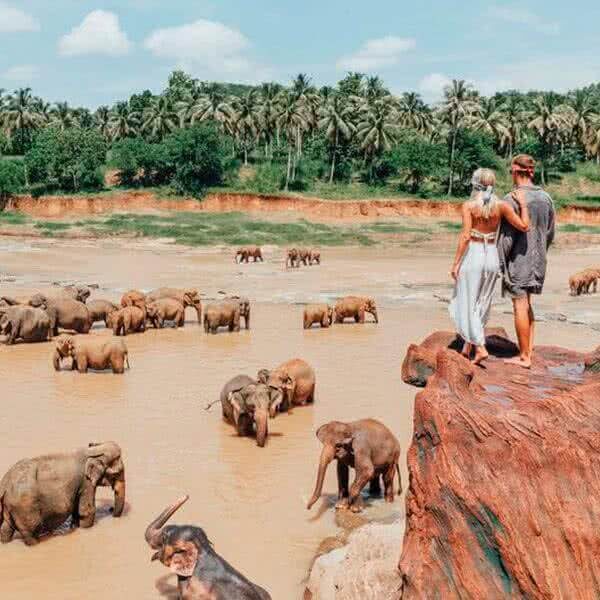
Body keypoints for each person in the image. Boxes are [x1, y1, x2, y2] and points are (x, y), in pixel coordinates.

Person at [449, 168, 530, 365]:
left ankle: (480, 347)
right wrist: (523, 204)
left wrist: (456, 262)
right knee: (482, 302)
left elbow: (466, 236)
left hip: (474, 255)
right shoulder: (501, 206)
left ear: (475, 183)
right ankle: (467, 348)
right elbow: (524, 226)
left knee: (466, 301)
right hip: (492, 256)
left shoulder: (469, 206)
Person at [498, 154, 555, 369]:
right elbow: (550, 233)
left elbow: (507, 238)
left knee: (519, 305)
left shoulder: (511, 199)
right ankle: (528, 350)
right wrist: (540, 252)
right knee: (528, 303)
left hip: (519, 260)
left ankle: (524, 357)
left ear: (516, 171)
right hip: (539, 260)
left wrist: (500, 263)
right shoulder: (546, 198)